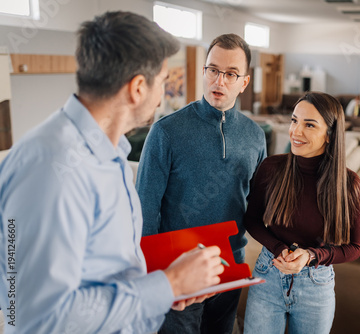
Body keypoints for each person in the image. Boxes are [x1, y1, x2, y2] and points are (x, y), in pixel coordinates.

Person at [0, 11, 224, 334]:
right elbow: (38, 318)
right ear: (137, 89)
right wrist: (168, 284)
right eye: (161, 82)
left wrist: (162, 289)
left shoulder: (111, 154)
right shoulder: (54, 168)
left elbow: (103, 272)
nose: (162, 95)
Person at [136, 33, 267, 334]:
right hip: (178, 270)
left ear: (244, 82)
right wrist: (155, 277)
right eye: (212, 70)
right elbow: (144, 208)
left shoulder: (254, 136)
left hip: (229, 268)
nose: (219, 81)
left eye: (231, 74)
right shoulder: (166, 132)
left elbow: (257, 207)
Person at [243, 92, 360, 334]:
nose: (296, 132)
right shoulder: (271, 168)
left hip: (316, 285)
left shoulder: (349, 184)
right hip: (268, 274)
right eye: (294, 120)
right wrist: (279, 249)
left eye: (309, 124)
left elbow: (354, 247)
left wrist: (310, 255)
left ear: (330, 135)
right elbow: (252, 220)